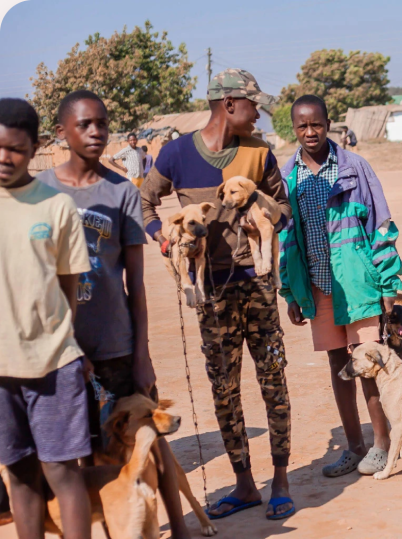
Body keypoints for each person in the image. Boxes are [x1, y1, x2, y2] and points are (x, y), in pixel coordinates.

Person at [37, 90, 193, 538]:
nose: (96, 132)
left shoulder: (122, 190)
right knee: (82, 451)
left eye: (102, 123)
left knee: (147, 445)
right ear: (62, 131)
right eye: (84, 124)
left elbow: (135, 283)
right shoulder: (40, 191)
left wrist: (141, 353)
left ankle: (178, 528)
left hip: (116, 346)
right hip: (63, 351)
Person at [140, 69, 295, 520]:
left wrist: (263, 214)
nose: (259, 113)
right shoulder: (175, 154)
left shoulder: (259, 153)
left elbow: (283, 208)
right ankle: (245, 484)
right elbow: (145, 203)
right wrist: (165, 239)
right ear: (229, 105)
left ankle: (280, 481)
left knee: (274, 383)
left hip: (258, 286)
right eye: (254, 105)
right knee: (224, 390)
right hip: (210, 294)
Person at [279, 95, 402, 477]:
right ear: (294, 130)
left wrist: (387, 281)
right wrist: (292, 292)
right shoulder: (288, 177)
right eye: (302, 126)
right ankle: (354, 446)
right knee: (339, 364)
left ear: (329, 123)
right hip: (318, 286)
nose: (310, 132)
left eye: (317, 124)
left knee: (369, 362)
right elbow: (286, 239)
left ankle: (383, 443)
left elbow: (381, 225)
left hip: (360, 283)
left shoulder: (354, 167)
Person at [0, 98, 93, 539]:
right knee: (18, 472)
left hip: (54, 364)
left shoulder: (56, 207)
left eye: (16, 149)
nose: (4, 157)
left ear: (35, 147)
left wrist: (65, 343)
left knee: (61, 470)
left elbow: (68, 287)